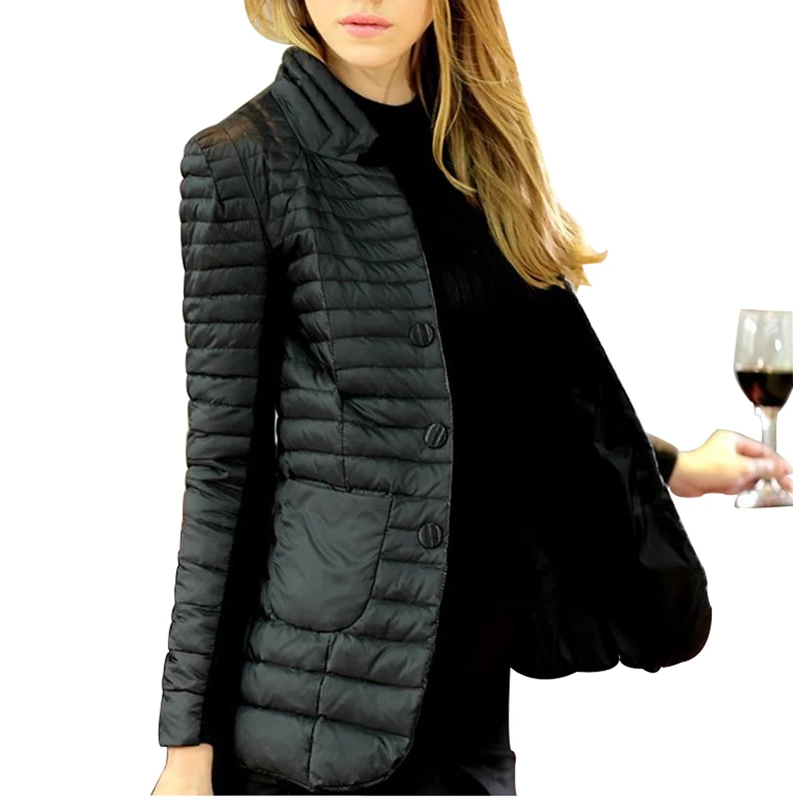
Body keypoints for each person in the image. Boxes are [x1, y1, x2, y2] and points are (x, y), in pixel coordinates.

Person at [152, 2, 793, 796]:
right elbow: (224, 470)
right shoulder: (242, 161)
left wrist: (678, 467)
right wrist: (188, 747)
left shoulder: (477, 154)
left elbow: (518, 386)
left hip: (473, 698)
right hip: (319, 711)